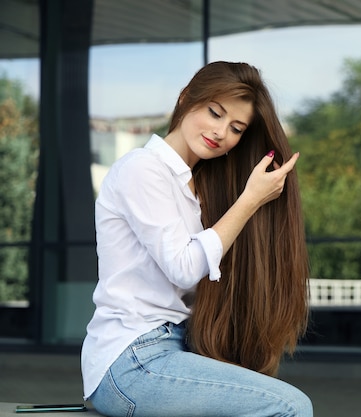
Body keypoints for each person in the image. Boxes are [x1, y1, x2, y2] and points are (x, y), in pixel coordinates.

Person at [81, 61, 313, 417]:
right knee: (290, 407)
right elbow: (184, 268)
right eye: (215, 113)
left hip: (172, 350)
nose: (221, 132)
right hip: (131, 359)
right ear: (186, 97)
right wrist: (250, 199)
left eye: (236, 128)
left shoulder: (194, 187)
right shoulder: (142, 169)